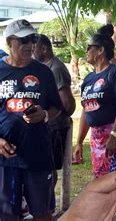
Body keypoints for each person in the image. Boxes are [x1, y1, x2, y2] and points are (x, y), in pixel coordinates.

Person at [0, 19, 62, 221]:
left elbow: (57, 107)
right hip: (6, 159)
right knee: (6, 215)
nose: (30, 45)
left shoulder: (44, 72)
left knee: (43, 213)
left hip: (38, 155)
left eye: (32, 39)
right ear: (10, 42)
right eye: (24, 40)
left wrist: (44, 115)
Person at [73, 24, 116, 180]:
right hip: (97, 138)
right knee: (103, 182)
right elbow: (86, 110)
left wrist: (114, 136)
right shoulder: (88, 79)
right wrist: (78, 142)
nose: (86, 51)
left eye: (89, 47)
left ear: (100, 50)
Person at [34, 34, 76, 190]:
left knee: (49, 167)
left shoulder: (55, 68)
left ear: (44, 48)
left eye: (34, 48)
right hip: (47, 124)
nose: (32, 52)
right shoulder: (45, 67)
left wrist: (52, 113)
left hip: (55, 125)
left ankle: (48, 200)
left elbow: (68, 104)